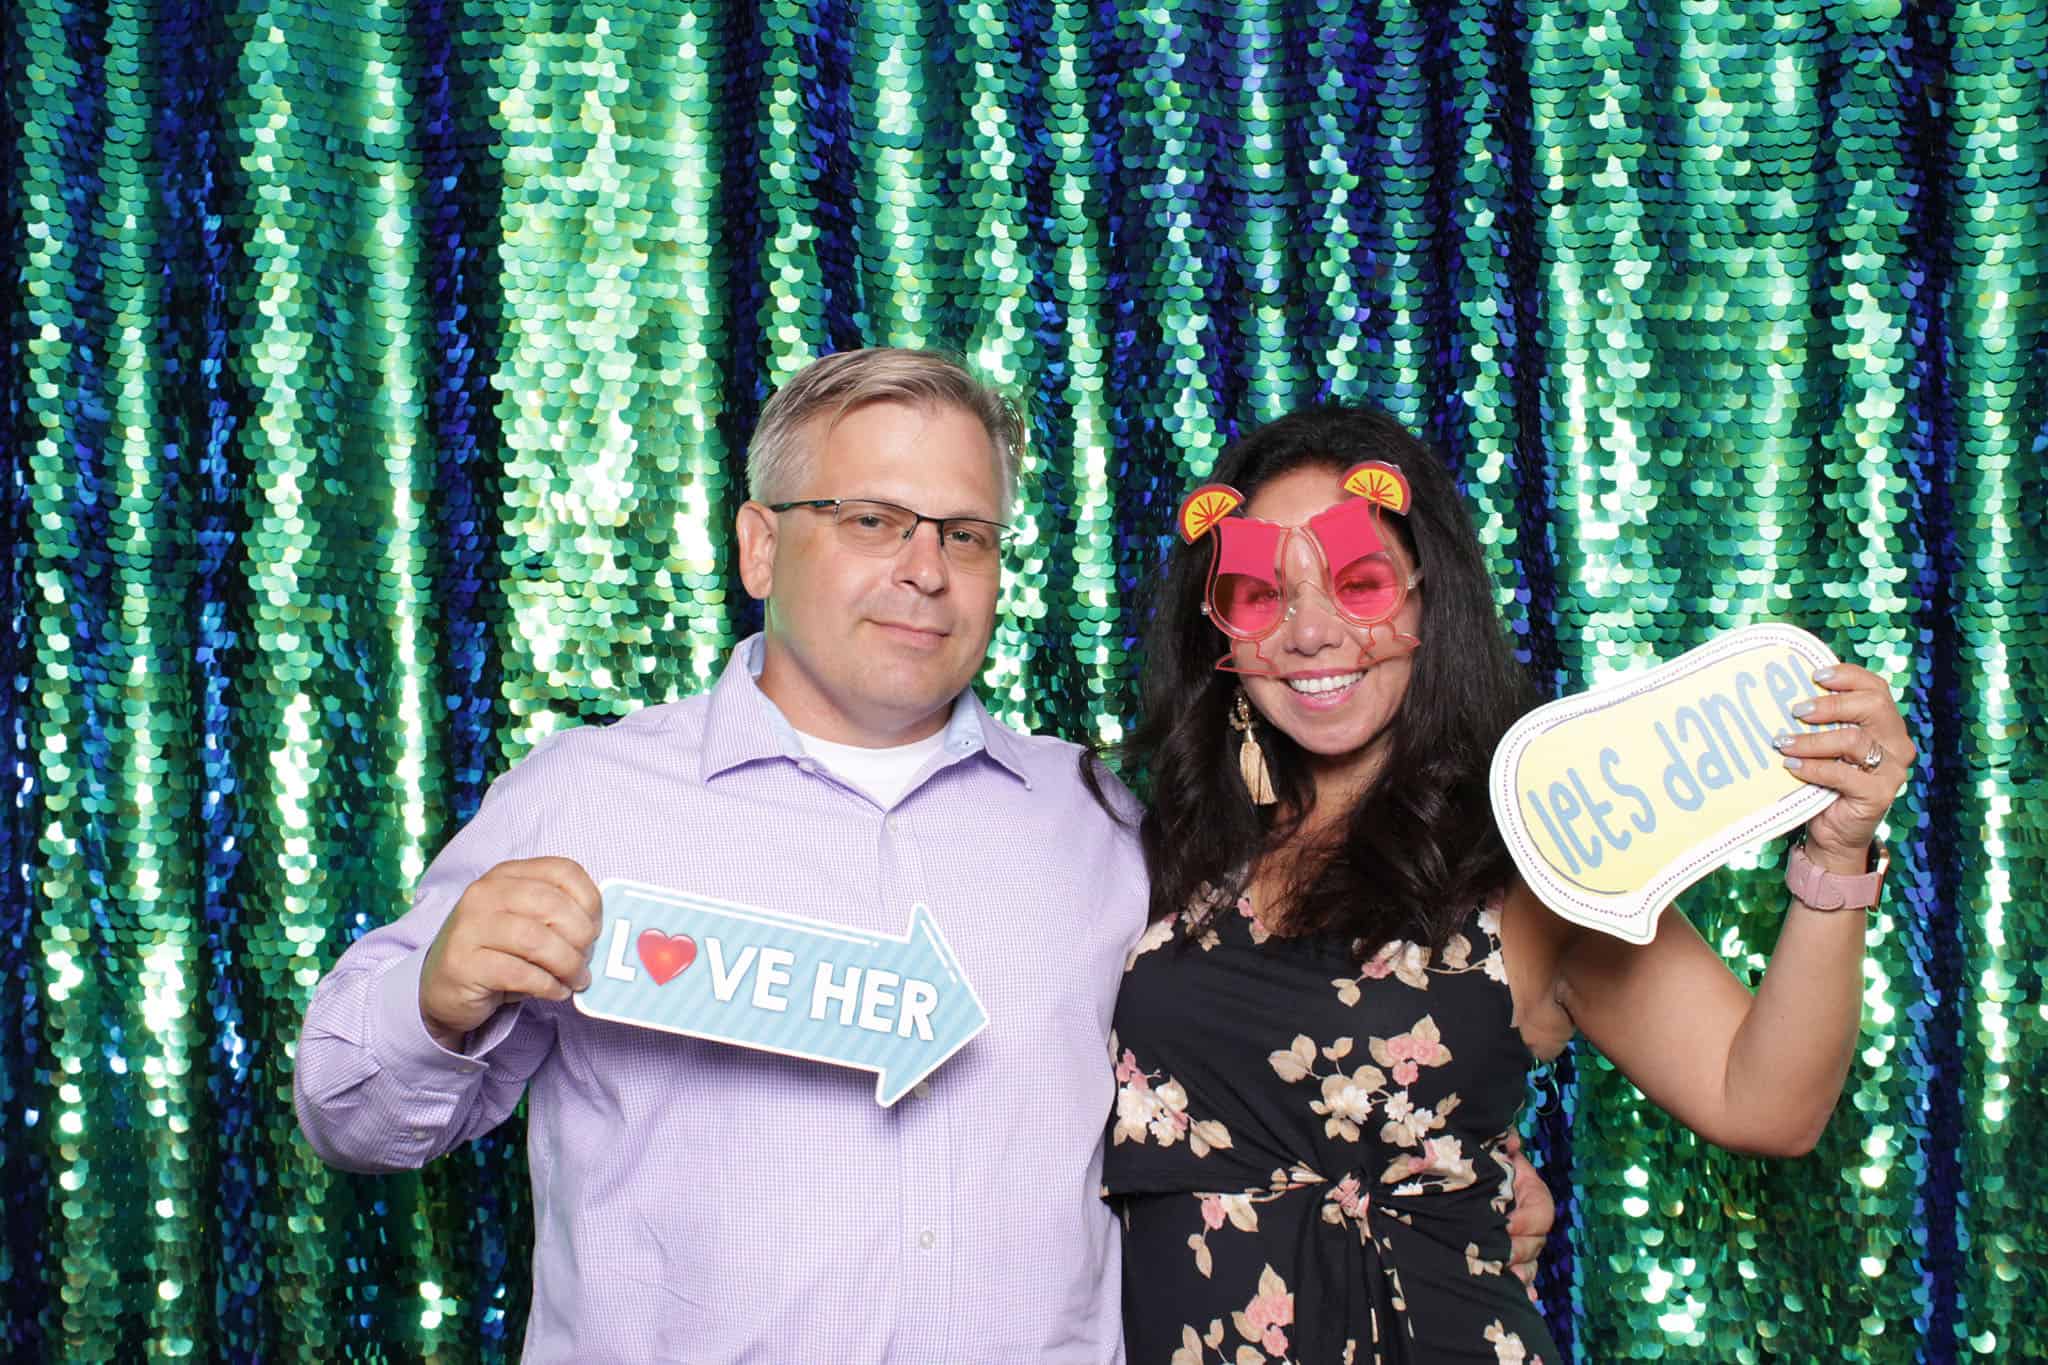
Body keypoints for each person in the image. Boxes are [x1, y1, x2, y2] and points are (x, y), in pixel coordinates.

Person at [295, 349, 1553, 1361]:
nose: (922, 570)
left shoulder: (1106, 823)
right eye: (870, 519)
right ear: (756, 546)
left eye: (964, 534)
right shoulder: (584, 798)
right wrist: (433, 998)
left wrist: (1448, 1151)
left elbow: (1259, 1037)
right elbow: (351, 1118)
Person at [1100, 405, 1912, 1363]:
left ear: (1427, 601)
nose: (1312, 632)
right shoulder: (1161, 843)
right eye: (1262, 596)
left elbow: (1765, 1103)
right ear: (1219, 626)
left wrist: (1837, 852)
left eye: (1359, 582)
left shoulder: (1530, 848)